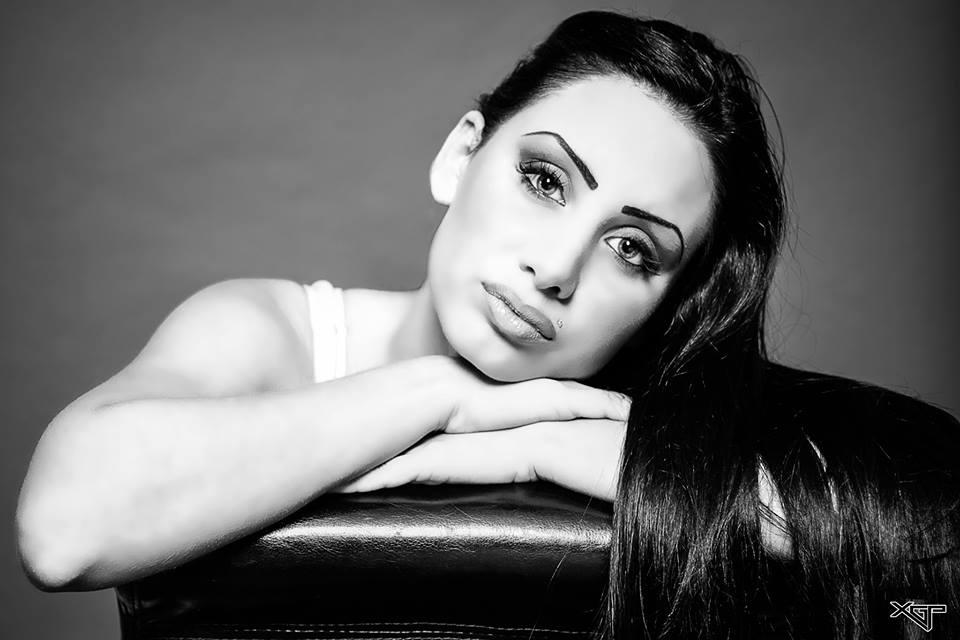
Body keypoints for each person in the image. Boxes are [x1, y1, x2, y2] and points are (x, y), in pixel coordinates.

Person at [15, 10, 958, 640]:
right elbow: (63, 531)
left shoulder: (628, 425)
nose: (557, 268)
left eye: (632, 248)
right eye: (544, 180)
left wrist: (646, 473)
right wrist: (439, 397)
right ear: (460, 158)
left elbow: (927, 588)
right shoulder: (278, 332)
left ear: (669, 302)